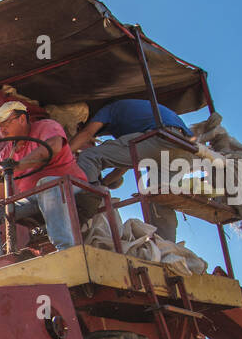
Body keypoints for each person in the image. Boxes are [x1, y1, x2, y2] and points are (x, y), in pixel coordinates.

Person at [0, 101, 92, 263]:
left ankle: (65, 249)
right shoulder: (5, 154)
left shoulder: (46, 127)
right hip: (36, 198)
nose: (2, 129)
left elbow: (53, 146)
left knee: (46, 183)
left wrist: (17, 166)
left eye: (6, 122)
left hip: (71, 189)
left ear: (22, 119)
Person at [68, 98, 194, 241]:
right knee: (158, 199)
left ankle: (85, 206)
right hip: (184, 147)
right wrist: (104, 183)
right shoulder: (131, 118)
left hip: (160, 137)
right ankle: (165, 247)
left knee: (90, 156)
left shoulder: (108, 110)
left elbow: (87, 133)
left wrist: (61, 156)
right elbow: (126, 164)